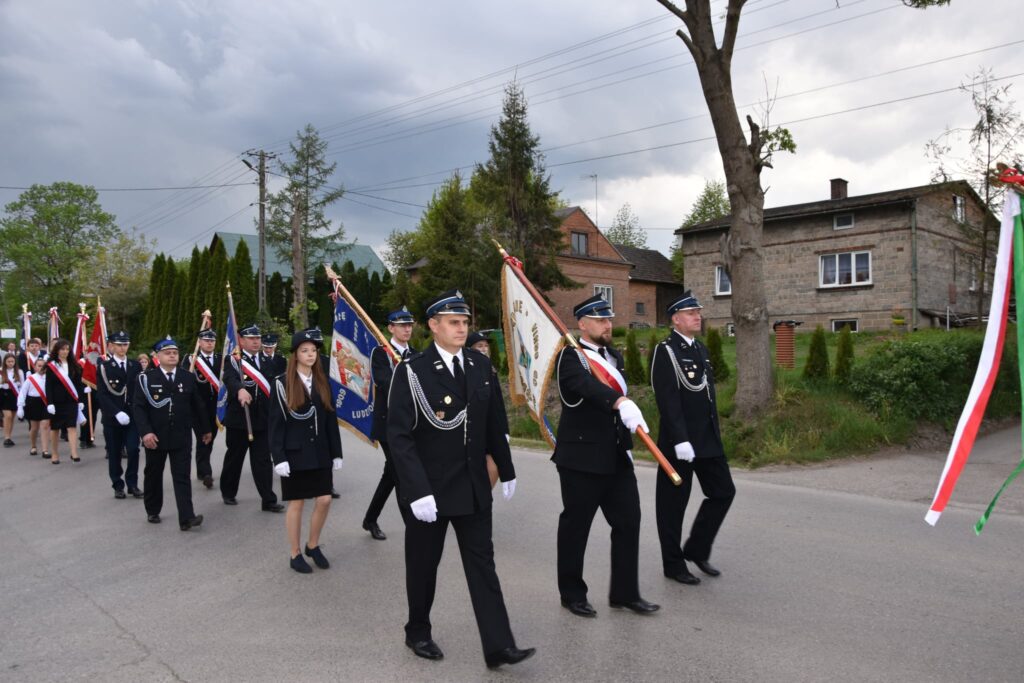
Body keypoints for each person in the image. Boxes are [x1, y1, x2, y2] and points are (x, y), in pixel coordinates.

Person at [389, 289, 534, 670]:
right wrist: (416, 490)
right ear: (433, 326)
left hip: (472, 487)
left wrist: (506, 469)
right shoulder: (412, 369)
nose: (461, 328)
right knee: (423, 565)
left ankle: (499, 645)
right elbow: (399, 436)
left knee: (483, 565)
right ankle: (417, 630)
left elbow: (494, 425)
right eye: (453, 322)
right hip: (429, 491)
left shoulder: (479, 365)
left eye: (465, 322)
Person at [552, 294, 659, 619]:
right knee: (576, 526)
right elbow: (586, 387)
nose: (607, 324)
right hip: (581, 458)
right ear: (582, 324)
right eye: (600, 320)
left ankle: (625, 593)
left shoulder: (613, 356)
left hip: (615, 456)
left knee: (628, 522)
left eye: (609, 319)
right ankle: (572, 594)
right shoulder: (570, 357)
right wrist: (619, 402)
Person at [650, 291, 735, 585]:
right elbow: (667, 399)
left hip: (707, 439)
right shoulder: (666, 351)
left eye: (698, 312)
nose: (697, 316)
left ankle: (697, 549)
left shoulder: (700, 348)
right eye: (690, 313)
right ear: (675, 319)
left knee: (724, 491)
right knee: (673, 506)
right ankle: (673, 564)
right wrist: (679, 438)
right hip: (680, 443)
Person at [269, 329, 343, 573]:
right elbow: (276, 424)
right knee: (297, 503)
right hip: (295, 453)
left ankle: (312, 544)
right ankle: (295, 552)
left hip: (320, 450)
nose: (310, 355)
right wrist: (278, 457)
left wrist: (336, 452)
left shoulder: (322, 382)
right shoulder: (282, 384)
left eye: (313, 350)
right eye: (305, 351)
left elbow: (330, 419)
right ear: (295, 354)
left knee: (323, 500)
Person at [133, 336, 211, 530]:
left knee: (182, 476)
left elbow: (198, 406)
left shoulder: (187, 376)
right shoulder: (146, 378)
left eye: (175, 353)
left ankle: (187, 517)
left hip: (181, 436)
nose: (172, 356)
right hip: (155, 437)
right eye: (167, 353)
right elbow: (139, 408)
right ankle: (153, 510)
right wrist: (145, 433)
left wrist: (205, 429)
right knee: (153, 474)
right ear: (158, 356)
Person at [361, 306, 417, 541]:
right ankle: (413, 528)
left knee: (392, 475)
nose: (407, 329)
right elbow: (383, 381)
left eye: (409, 325)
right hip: (388, 425)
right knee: (402, 473)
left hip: (410, 425)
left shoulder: (415, 354)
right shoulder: (380, 353)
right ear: (390, 328)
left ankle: (370, 519)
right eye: (402, 325)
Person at [219, 324, 284, 512]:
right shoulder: (233, 361)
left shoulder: (268, 360)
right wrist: (240, 389)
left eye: (258, 338)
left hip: (263, 420)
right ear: (241, 340)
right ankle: (228, 492)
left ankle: (268, 500)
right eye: (251, 339)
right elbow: (230, 379)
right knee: (235, 457)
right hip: (240, 419)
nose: (256, 341)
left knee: (263, 460)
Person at [96, 331, 143, 500]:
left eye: (125, 344)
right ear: (112, 346)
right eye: (119, 345)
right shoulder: (104, 367)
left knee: (133, 449)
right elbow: (102, 394)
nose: (123, 348)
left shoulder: (135, 366)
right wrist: (116, 413)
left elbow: (139, 391)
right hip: (112, 418)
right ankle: (117, 484)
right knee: (115, 453)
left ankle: (132, 484)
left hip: (132, 417)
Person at [465, 330, 508, 488]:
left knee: (494, 464)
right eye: (479, 346)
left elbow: (498, 404)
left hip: (492, 427)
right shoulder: (468, 370)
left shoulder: (491, 369)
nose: (484, 349)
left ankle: (482, 497)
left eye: (485, 346)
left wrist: (505, 429)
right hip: (476, 428)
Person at [180, 329, 221, 489]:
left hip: (216, 407)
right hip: (197, 407)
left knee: (210, 438)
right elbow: (183, 378)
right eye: (206, 340)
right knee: (204, 437)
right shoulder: (190, 360)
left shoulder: (220, 359)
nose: (209, 343)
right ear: (200, 342)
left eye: (212, 341)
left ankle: (202, 468)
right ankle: (206, 472)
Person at [45, 339, 85, 464]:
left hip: (71, 401)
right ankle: (55, 454)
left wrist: (81, 399)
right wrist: (50, 402)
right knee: (55, 429)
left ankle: (74, 453)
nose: (65, 351)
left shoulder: (74, 365)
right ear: (57, 350)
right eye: (62, 349)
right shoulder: (51, 365)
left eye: (67, 349)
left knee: (71, 426)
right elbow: (48, 385)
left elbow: (78, 385)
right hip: (57, 402)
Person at [17, 357, 51, 458]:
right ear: (35, 367)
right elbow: (22, 393)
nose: (41, 368)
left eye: (43, 366)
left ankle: (45, 450)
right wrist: (20, 406)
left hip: (45, 403)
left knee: (45, 425)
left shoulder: (49, 378)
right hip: (33, 403)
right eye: (39, 366)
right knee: (34, 428)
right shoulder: (30, 378)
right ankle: (33, 446)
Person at [1, 353, 24, 446]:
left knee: (12, 418)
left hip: (15, 395)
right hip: (3, 395)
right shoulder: (1, 371)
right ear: (5, 362)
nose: (10, 363)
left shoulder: (19, 372)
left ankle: (9, 436)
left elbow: (22, 385)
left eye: (12, 361)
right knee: (8, 416)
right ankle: (6, 437)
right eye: (8, 361)